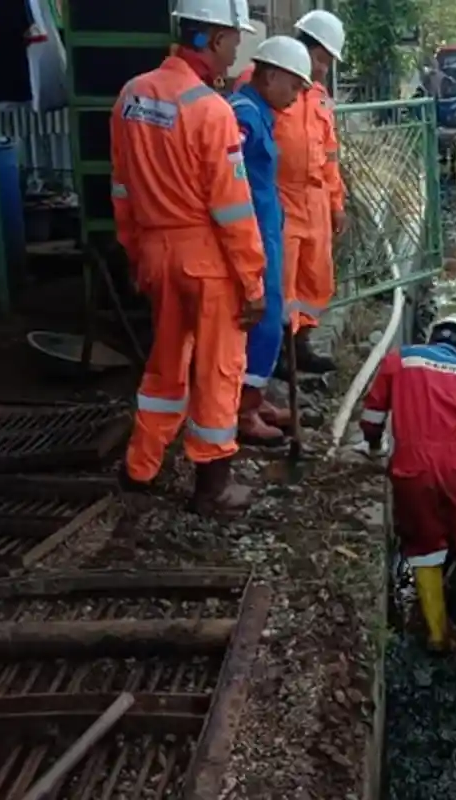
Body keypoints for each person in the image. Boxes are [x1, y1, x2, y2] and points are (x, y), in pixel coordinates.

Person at [111, 0, 266, 515]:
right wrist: (253, 283)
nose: (236, 51)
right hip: (207, 257)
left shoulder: (131, 95)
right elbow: (233, 208)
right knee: (219, 369)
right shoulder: (211, 110)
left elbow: (123, 188)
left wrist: (138, 254)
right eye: (233, 40)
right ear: (213, 38)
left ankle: (141, 466)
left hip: (156, 250)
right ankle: (212, 486)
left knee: (165, 363)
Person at [359, 314, 456, 673]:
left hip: (410, 468)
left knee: (424, 547)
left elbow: (371, 419)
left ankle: (437, 635)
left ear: (433, 337)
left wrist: (373, 447)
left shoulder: (400, 359)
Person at [229, 37, 312, 445]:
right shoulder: (243, 116)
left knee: (270, 322)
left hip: (265, 233)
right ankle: (243, 412)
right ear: (272, 75)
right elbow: (229, 184)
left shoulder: (260, 114)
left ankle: (254, 399)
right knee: (260, 325)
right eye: (294, 86)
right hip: (251, 238)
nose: (296, 97)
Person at [271, 9, 347, 375]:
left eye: (327, 62)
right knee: (281, 280)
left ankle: (302, 346)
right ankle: (278, 352)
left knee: (314, 278)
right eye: (320, 59)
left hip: (316, 199)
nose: (323, 69)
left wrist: (336, 202)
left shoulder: (319, 96)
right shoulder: (272, 85)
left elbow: (330, 152)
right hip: (281, 197)